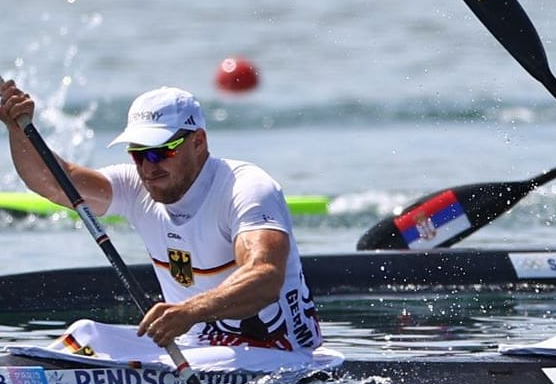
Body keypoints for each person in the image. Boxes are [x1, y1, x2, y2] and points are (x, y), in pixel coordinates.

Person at [0, 82, 321, 360]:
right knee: (86, 334)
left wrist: (190, 311)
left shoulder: (246, 188)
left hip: (277, 355)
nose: (148, 167)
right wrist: (17, 129)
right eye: (138, 153)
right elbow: (57, 182)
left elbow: (265, 277)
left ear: (198, 142)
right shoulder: (135, 187)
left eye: (160, 152)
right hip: (192, 353)